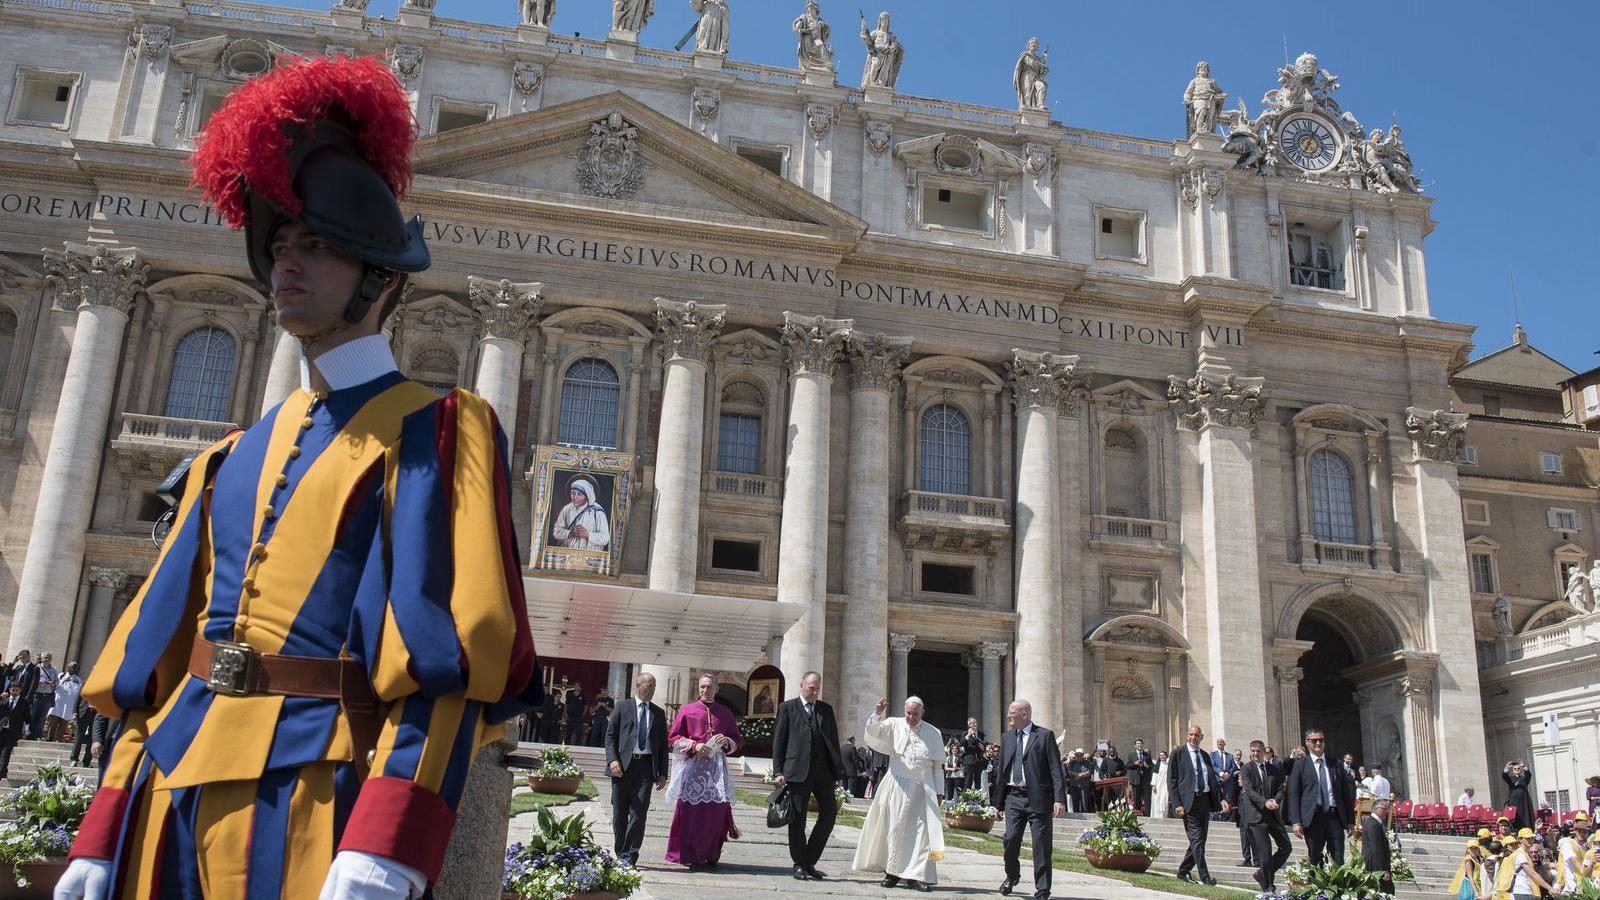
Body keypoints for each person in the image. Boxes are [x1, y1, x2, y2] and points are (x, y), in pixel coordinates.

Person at [53, 53, 540, 900]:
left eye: (316, 245)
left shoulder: (438, 431)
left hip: (317, 799)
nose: (286, 263)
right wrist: (102, 833)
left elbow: (448, 662)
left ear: (378, 277)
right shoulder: (228, 457)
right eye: (280, 244)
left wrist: (391, 840)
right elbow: (156, 667)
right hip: (168, 803)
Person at [853, 696, 944, 892]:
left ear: (923, 713)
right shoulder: (894, 724)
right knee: (894, 829)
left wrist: (940, 793)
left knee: (921, 834)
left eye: (915, 714)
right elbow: (872, 731)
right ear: (904, 711)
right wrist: (877, 712)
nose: (911, 718)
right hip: (897, 785)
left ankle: (917, 876)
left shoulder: (933, 733)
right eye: (908, 713)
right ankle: (892, 873)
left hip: (923, 788)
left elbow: (938, 767)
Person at [771, 671, 845, 881]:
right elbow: (779, 740)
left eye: (817, 688)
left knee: (829, 815)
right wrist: (778, 771)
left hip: (823, 773)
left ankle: (809, 859)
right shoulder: (788, 708)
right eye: (811, 687)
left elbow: (832, 741)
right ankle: (799, 864)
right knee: (798, 820)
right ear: (802, 685)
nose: (814, 691)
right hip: (797, 772)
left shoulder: (825, 710)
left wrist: (837, 770)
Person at [664, 672, 742, 870]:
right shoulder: (687, 710)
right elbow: (673, 738)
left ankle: (711, 853)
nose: (705, 690)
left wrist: (727, 742)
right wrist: (695, 745)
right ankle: (690, 855)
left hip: (716, 772)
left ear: (716, 688)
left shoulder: (725, 713)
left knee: (715, 815)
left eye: (709, 687)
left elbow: (737, 740)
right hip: (693, 769)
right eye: (702, 687)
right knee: (691, 814)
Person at [991, 699, 1064, 900]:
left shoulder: (1044, 736)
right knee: (1011, 839)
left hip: (1038, 800)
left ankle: (1042, 890)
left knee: (1041, 845)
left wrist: (1059, 799)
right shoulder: (1007, 738)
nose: (1008, 717)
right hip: (1013, 798)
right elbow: (1002, 772)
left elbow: (1056, 770)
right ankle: (1012, 876)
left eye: (1011, 713)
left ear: (1024, 714)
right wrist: (998, 803)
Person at [605, 671, 668, 867]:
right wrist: (612, 760)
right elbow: (610, 736)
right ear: (638, 686)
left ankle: (630, 854)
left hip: (646, 768)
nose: (651, 690)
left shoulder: (658, 713)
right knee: (619, 812)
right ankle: (620, 850)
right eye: (648, 686)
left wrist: (663, 772)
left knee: (639, 812)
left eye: (654, 687)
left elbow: (663, 745)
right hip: (623, 766)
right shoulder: (622, 707)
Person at [1168, 723, 1228, 885]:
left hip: (1204, 801)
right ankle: (1205, 876)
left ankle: (1183, 871)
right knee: (1197, 839)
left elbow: (1212, 780)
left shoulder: (1205, 755)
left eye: (1197, 735)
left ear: (1201, 738)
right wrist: (1177, 804)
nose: (1194, 737)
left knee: (1200, 840)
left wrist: (1221, 798)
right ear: (1187, 736)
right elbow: (1171, 781)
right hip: (1188, 802)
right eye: (1191, 735)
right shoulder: (1178, 753)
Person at [1288, 728, 1356, 866]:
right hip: (1313, 817)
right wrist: (1296, 822)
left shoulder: (1336, 764)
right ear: (1307, 743)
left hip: (1334, 816)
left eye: (1321, 740)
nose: (1318, 743)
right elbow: (1294, 794)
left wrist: (1350, 820)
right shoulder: (1300, 765)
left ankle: (1337, 887)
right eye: (1314, 740)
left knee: (1337, 855)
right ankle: (1317, 886)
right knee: (1315, 856)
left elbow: (1345, 794)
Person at [1240, 739, 1291, 893]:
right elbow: (1249, 791)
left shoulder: (1274, 769)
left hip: (1273, 814)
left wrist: (1275, 801)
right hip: (1257, 815)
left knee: (1286, 847)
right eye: (1253, 751)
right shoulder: (1246, 769)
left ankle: (1263, 873)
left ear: (1264, 752)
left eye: (1258, 751)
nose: (1255, 753)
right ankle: (1269, 886)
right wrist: (1265, 803)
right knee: (1265, 852)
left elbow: (1281, 788)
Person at [552, 479, 611, 550]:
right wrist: (570, 533)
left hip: (590, 555)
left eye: (579, 494)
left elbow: (605, 538)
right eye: (573, 493)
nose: (575, 497)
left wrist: (588, 535)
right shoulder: (567, 509)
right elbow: (556, 532)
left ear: (587, 495)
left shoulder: (597, 511)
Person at [1503, 828, 1555, 899]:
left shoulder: (1524, 854)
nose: (1530, 840)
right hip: (1522, 892)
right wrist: (1549, 888)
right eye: (1527, 838)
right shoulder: (1521, 855)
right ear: (1520, 839)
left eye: (1532, 838)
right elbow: (1532, 873)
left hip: (1524, 892)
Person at [1362, 798, 1396, 895]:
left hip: (1376, 866)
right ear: (1376, 809)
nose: (1387, 811)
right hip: (1376, 867)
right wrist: (1383, 870)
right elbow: (1376, 849)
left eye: (1387, 809)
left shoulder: (1374, 823)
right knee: (1388, 893)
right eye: (1384, 809)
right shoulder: (1373, 825)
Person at [47, 661, 82, 743]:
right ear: (67, 668)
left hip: (69, 704)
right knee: (53, 721)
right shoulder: (61, 676)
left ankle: (58, 739)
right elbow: (55, 685)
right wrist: (65, 680)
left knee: (63, 723)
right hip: (58, 702)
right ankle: (49, 738)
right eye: (72, 667)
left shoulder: (79, 681)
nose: (73, 669)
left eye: (75, 668)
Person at [1554, 813, 1589, 894]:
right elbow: (1575, 861)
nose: (1582, 833)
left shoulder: (1588, 846)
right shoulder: (1567, 843)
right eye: (1579, 830)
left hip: (1585, 887)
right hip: (1572, 888)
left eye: (1584, 831)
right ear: (1575, 830)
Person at [0, 684, 27, 779]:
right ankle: (3, 771)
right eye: (13, 690)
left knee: (5, 753)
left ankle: (1, 773)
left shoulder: (24, 702)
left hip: (13, 732)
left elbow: (28, 718)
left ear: (20, 690)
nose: (14, 692)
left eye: (17, 690)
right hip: (1, 730)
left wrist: (28, 731)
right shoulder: (4, 699)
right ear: (10, 690)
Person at [29, 652, 58, 740]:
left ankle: (37, 736)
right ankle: (29, 734)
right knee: (32, 715)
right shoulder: (37, 668)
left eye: (49, 658)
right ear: (41, 659)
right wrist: (43, 682)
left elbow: (57, 681)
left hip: (47, 696)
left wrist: (53, 683)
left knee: (42, 717)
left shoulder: (54, 670)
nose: (47, 659)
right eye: (45, 657)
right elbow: (32, 681)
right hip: (37, 695)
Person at [1505, 759, 1536, 830]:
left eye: (1518, 768)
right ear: (1513, 770)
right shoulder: (1510, 779)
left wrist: (1524, 766)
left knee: (1525, 819)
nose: (1517, 770)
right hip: (1513, 803)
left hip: (1523, 803)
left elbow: (1529, 774)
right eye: (1515, 769)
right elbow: (1504, 776)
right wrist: (1507, 767)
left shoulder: (1524, 779)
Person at [958, 718, 986, 794]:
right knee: (968, 781)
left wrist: (983, 747)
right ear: (969, 725)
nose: (975, 724)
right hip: (969, 760)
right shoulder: (965, 733)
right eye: (973, 723)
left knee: (978, 781)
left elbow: (984, 744)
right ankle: (966, 801)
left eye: (976, 722)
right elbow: (961, 743)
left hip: (979, 760)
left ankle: (977, 800)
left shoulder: (980, 734)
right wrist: (969, 735)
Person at [1128, 739, 1155, 815]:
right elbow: (1127, 766)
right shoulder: (1131, 755)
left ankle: (1148, 814)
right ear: (1135, 745)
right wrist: (1134, 763)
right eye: (1137, 743)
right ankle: (1138, 815)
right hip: (1136, 780)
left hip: (1145, 780)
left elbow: (1152, 766)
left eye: (1140, 743)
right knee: (1136, 799)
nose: (1139, 745)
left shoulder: (1146, 754)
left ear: (1142, 745)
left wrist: (1147, 766)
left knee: (1147, 799)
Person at [69, 691, 96, 767]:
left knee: (92, 738)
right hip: (83, 712)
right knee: (79, 737)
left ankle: (87, 761)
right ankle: (73, 759)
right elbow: (78, 697)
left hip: (96, 713)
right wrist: (74, 712)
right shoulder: (86, 683)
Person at [1066, 748, 1095, 813]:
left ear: (1083, 755)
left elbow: (1089, 772)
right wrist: (1076, 774)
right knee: (1075, 803)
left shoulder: (1087, 762)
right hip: (1074, 786)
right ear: (1075, 755)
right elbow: (1068, 771)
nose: (1079, 756)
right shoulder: (1072, 762)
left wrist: (1080, 775)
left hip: (1084, 786)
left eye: (1080, 755)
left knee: (1084, 804)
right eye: (1077, 755)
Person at [1149, 751, 1171, 819]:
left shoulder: (1168, 765)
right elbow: (1154, 776)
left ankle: (1164, 816)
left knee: (1164, 800)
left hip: (1165, 786)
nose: (1162, 756)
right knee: (1157, 800)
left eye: (1163, 755)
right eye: (1160, 755)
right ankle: (1156, 816)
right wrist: (1153, 785)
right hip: (1158, 786)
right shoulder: (1157, 765)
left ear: (1166, 756)